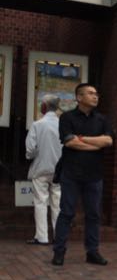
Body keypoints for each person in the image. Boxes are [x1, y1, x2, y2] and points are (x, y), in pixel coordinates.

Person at [52, 84, 113, 267]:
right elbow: (70, 142)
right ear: (79, 97)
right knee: (66, 213)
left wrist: (82, 138)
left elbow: (108, 140)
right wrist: (95, 145)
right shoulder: (67, 117)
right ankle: (59, 252)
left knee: (93, 214)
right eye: (91, 93)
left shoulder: (102, 119)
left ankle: (92, 252)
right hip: (71, 173)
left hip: (94, 175)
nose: (96, 96)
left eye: (96, 93)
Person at [25, 94, 62, 245]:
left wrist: (33, 155)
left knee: (40, 202)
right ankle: (59, 236)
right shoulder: (63, 125)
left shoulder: (37, 125)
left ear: (45, 106)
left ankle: (42, 237)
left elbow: (30, 150)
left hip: (40, 168)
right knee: (57, 204)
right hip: (59, 170)